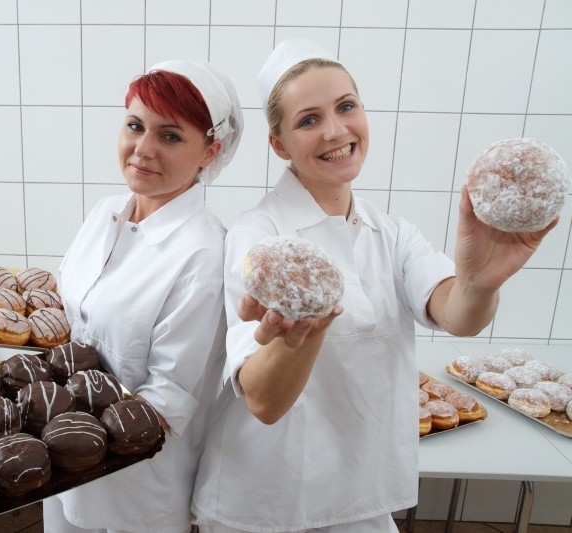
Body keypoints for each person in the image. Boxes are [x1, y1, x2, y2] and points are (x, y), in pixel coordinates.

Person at [190, 38, 559, 532]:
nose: (335, 131)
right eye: (308, 120)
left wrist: (480, 280)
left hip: (357, 493)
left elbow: (459, 315)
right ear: (279, 145)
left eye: (346, 107)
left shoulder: (392, 233)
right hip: (266, 499)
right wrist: (305, 333)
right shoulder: (260, 241)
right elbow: (263, 401)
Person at [43, 60, 244, 533]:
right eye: (135, 126)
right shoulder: (105, 213)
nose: (143, 149)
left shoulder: (205, 253)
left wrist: (60, 430)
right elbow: (64, 314)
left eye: (170, 136)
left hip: (133, 480)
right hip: (62, 457)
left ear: (209, 152)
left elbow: (169, 397)